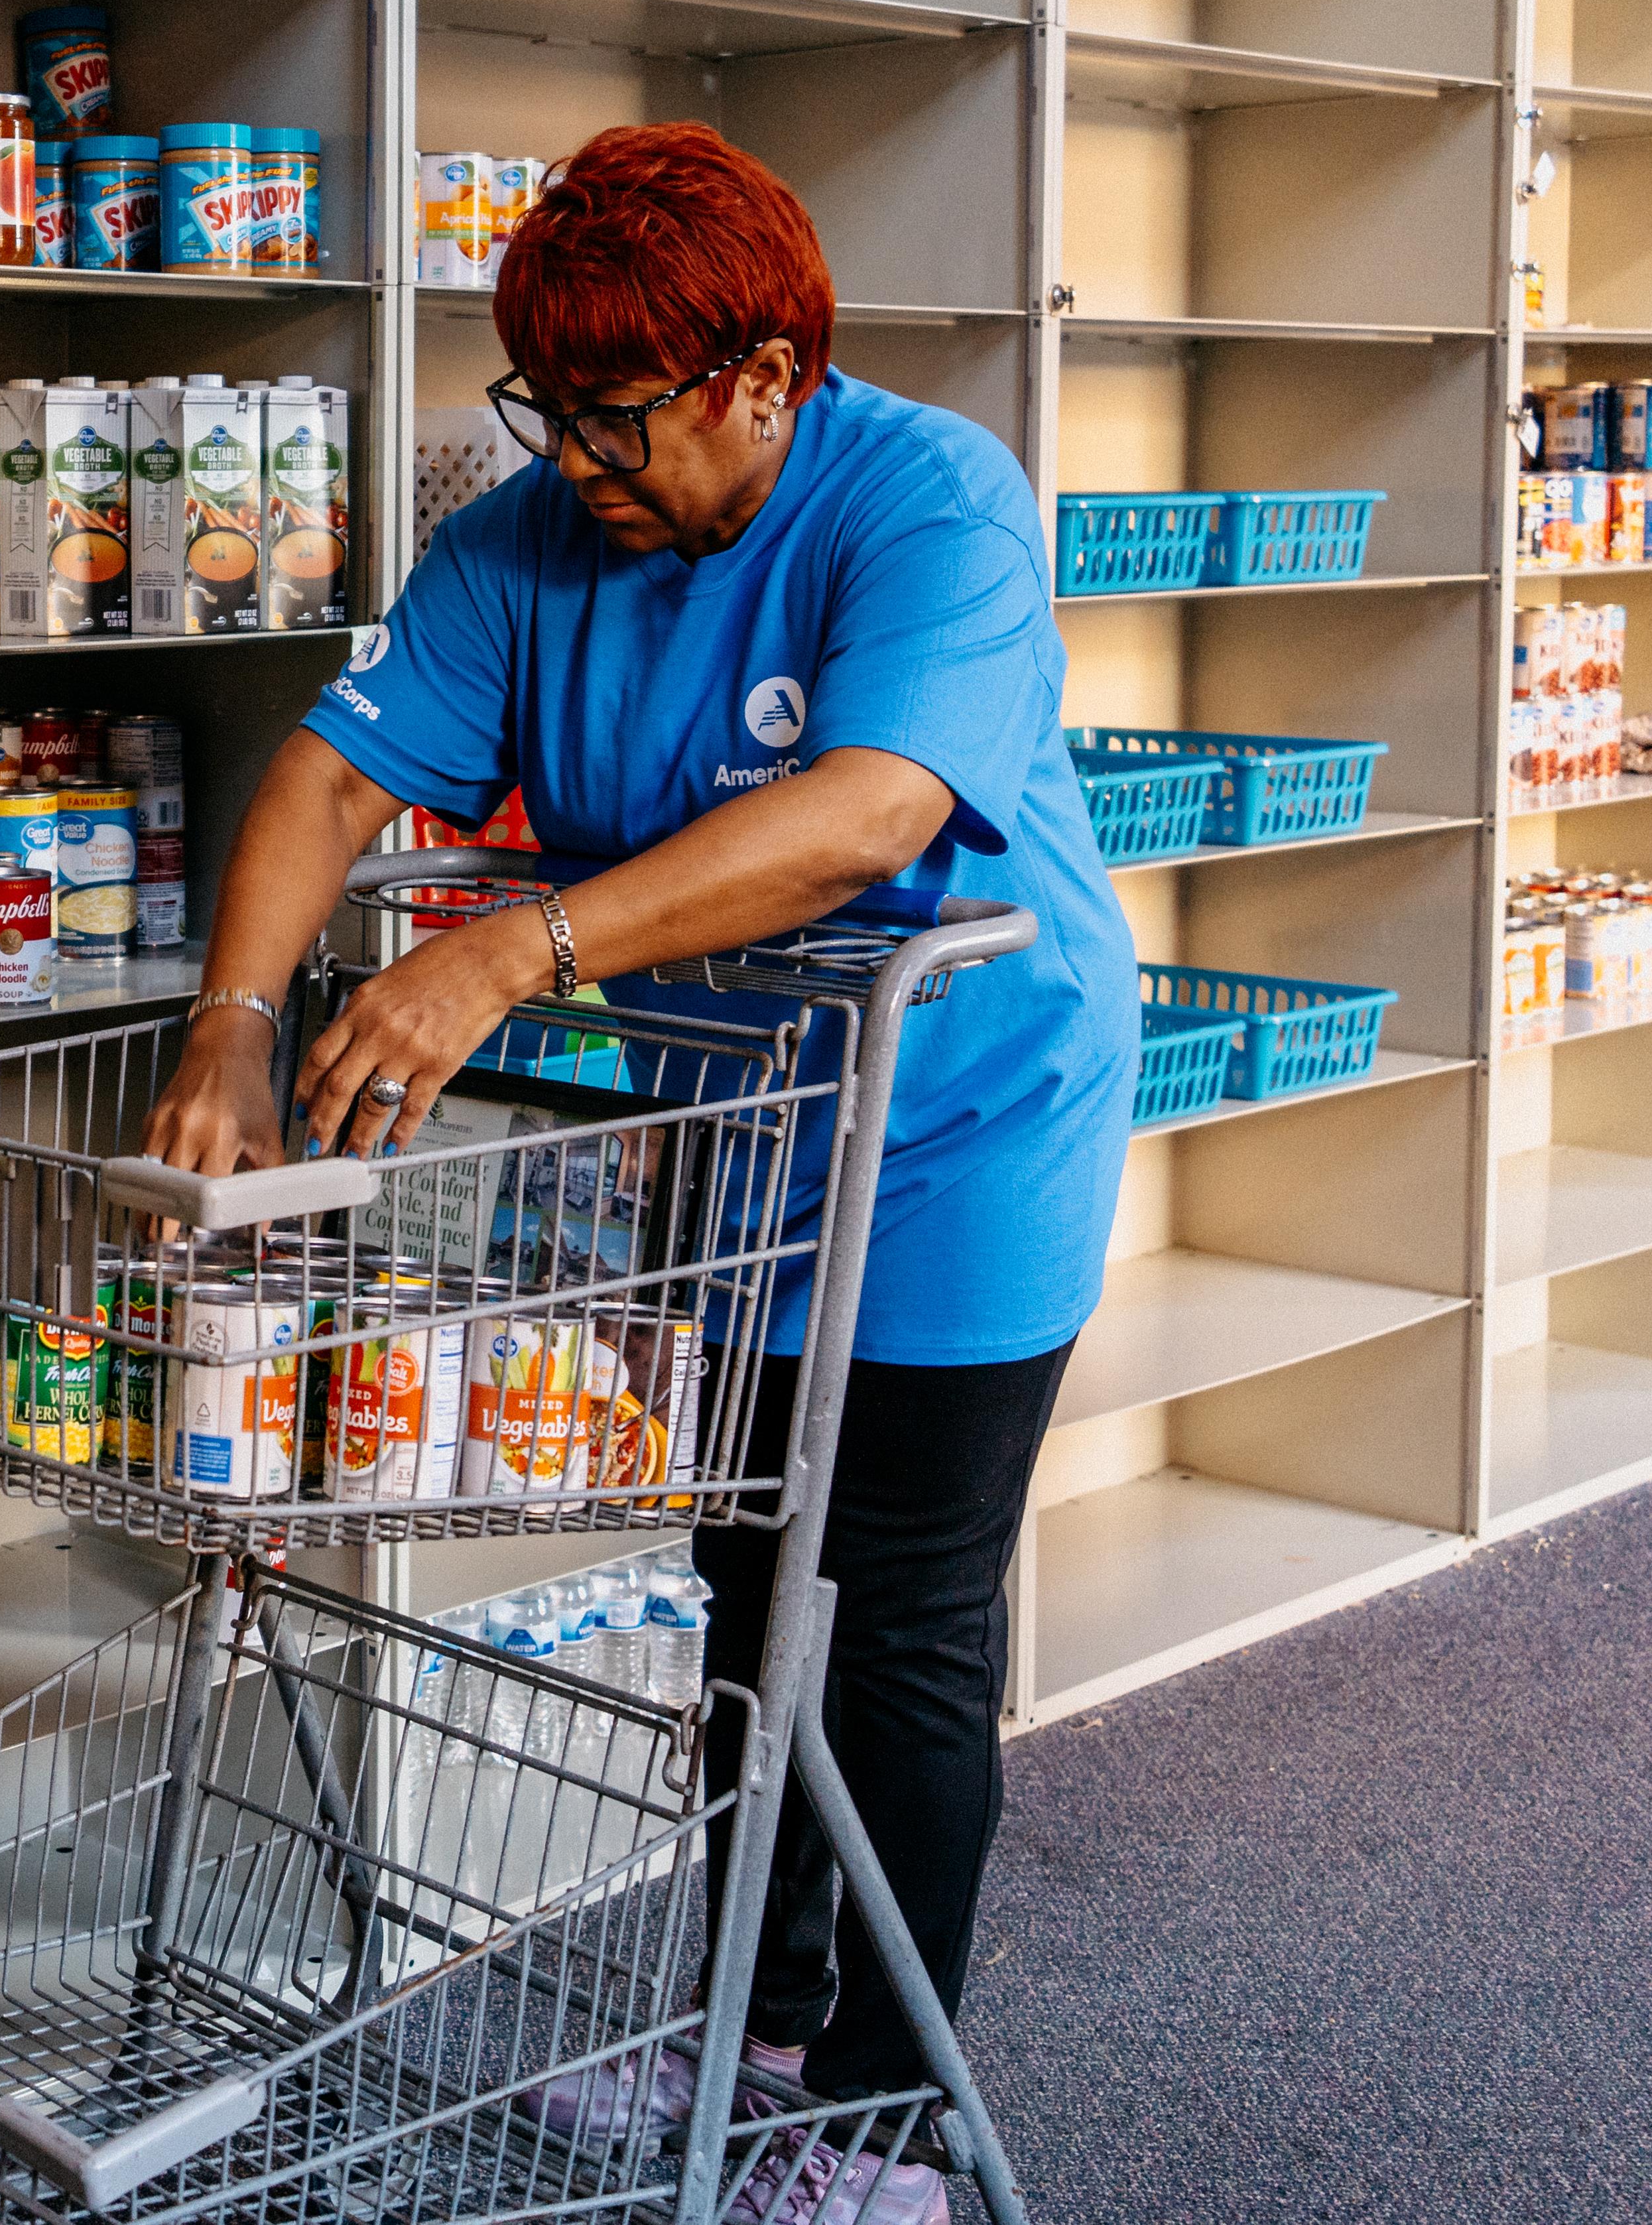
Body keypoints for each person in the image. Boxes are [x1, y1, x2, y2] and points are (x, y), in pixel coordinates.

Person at [140, 121, 1133, 2221]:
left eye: (614, 416)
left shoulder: (931, 499)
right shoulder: (527, 546)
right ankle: (749, 2027)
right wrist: (232, 1018)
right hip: (745, 1131)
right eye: (546, 410)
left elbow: (871, 810)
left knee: (900, 1625)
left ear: (766, 378)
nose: (572, 458)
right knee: (746, 1594)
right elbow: (331, 774)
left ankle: (885, 2121)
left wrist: (521, 944)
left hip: (961, 1128)